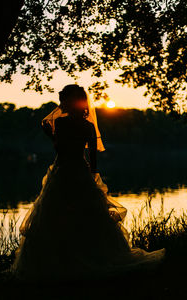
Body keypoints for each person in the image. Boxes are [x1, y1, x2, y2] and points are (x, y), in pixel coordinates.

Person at [11, 84, 165, 282]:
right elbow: (92, 158)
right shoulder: (88, 126)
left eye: (63, 100)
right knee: (89, 217)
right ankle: (94, 257)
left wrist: (50, 134)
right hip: (81, 171)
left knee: (56, 216)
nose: (60, 104)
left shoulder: (63, 124)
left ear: (70, 101)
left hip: (63, 172)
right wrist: (91, 180)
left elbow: (60, 149)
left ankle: (57, 264)